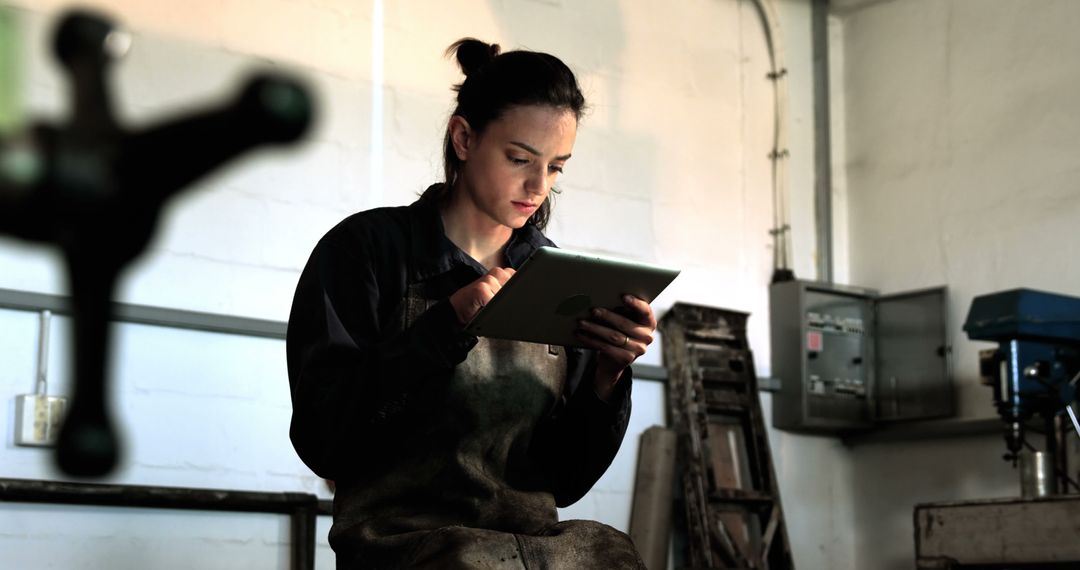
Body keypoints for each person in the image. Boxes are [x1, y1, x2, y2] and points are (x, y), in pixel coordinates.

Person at [287, 38, 656, 569]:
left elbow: (566, 481)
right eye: (519, 159)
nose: (538, 186)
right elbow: (325, 440)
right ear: (464, 137)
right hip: (401, 547)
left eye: (556, 168)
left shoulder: (552, 278)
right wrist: (444, 328)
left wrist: (607, 378)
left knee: (612, 555)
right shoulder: (368, 251)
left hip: (527, 548)